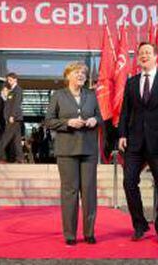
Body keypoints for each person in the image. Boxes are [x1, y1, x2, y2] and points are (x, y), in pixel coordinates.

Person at [118, 42, 158, 244]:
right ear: (137, 58)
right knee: (129, 183)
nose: (144, 55)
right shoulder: (131, 82)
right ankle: (139, 224)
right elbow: (125, 113)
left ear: (156, 57)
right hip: (135, 144)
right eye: (141, 53)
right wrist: (122, 135)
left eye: (148, 52)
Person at [45, 61, 101, 245]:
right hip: (67, 150)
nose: (81, 75)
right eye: (77, 72)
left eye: (83, 73)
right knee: (70, 192)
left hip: (89, 149)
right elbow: (49, 121)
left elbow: (100, 117)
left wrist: (94, 119)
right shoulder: (58, 95)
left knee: (89, 192)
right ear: (68, 75)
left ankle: (89, 232)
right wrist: (67, 123)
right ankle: (70, 234)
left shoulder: (92, 95)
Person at [0, 72, 24, 163]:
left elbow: (16, 104)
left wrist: (12, 116)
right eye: (8, 80)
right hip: (13, 118)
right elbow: (9, 104)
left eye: (10, 80)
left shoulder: (18, 90)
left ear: (15, 79)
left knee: (5, 137)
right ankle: (20, 158)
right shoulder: (12, 90)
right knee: (17, 140)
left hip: (14, 118)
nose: (9, 81)